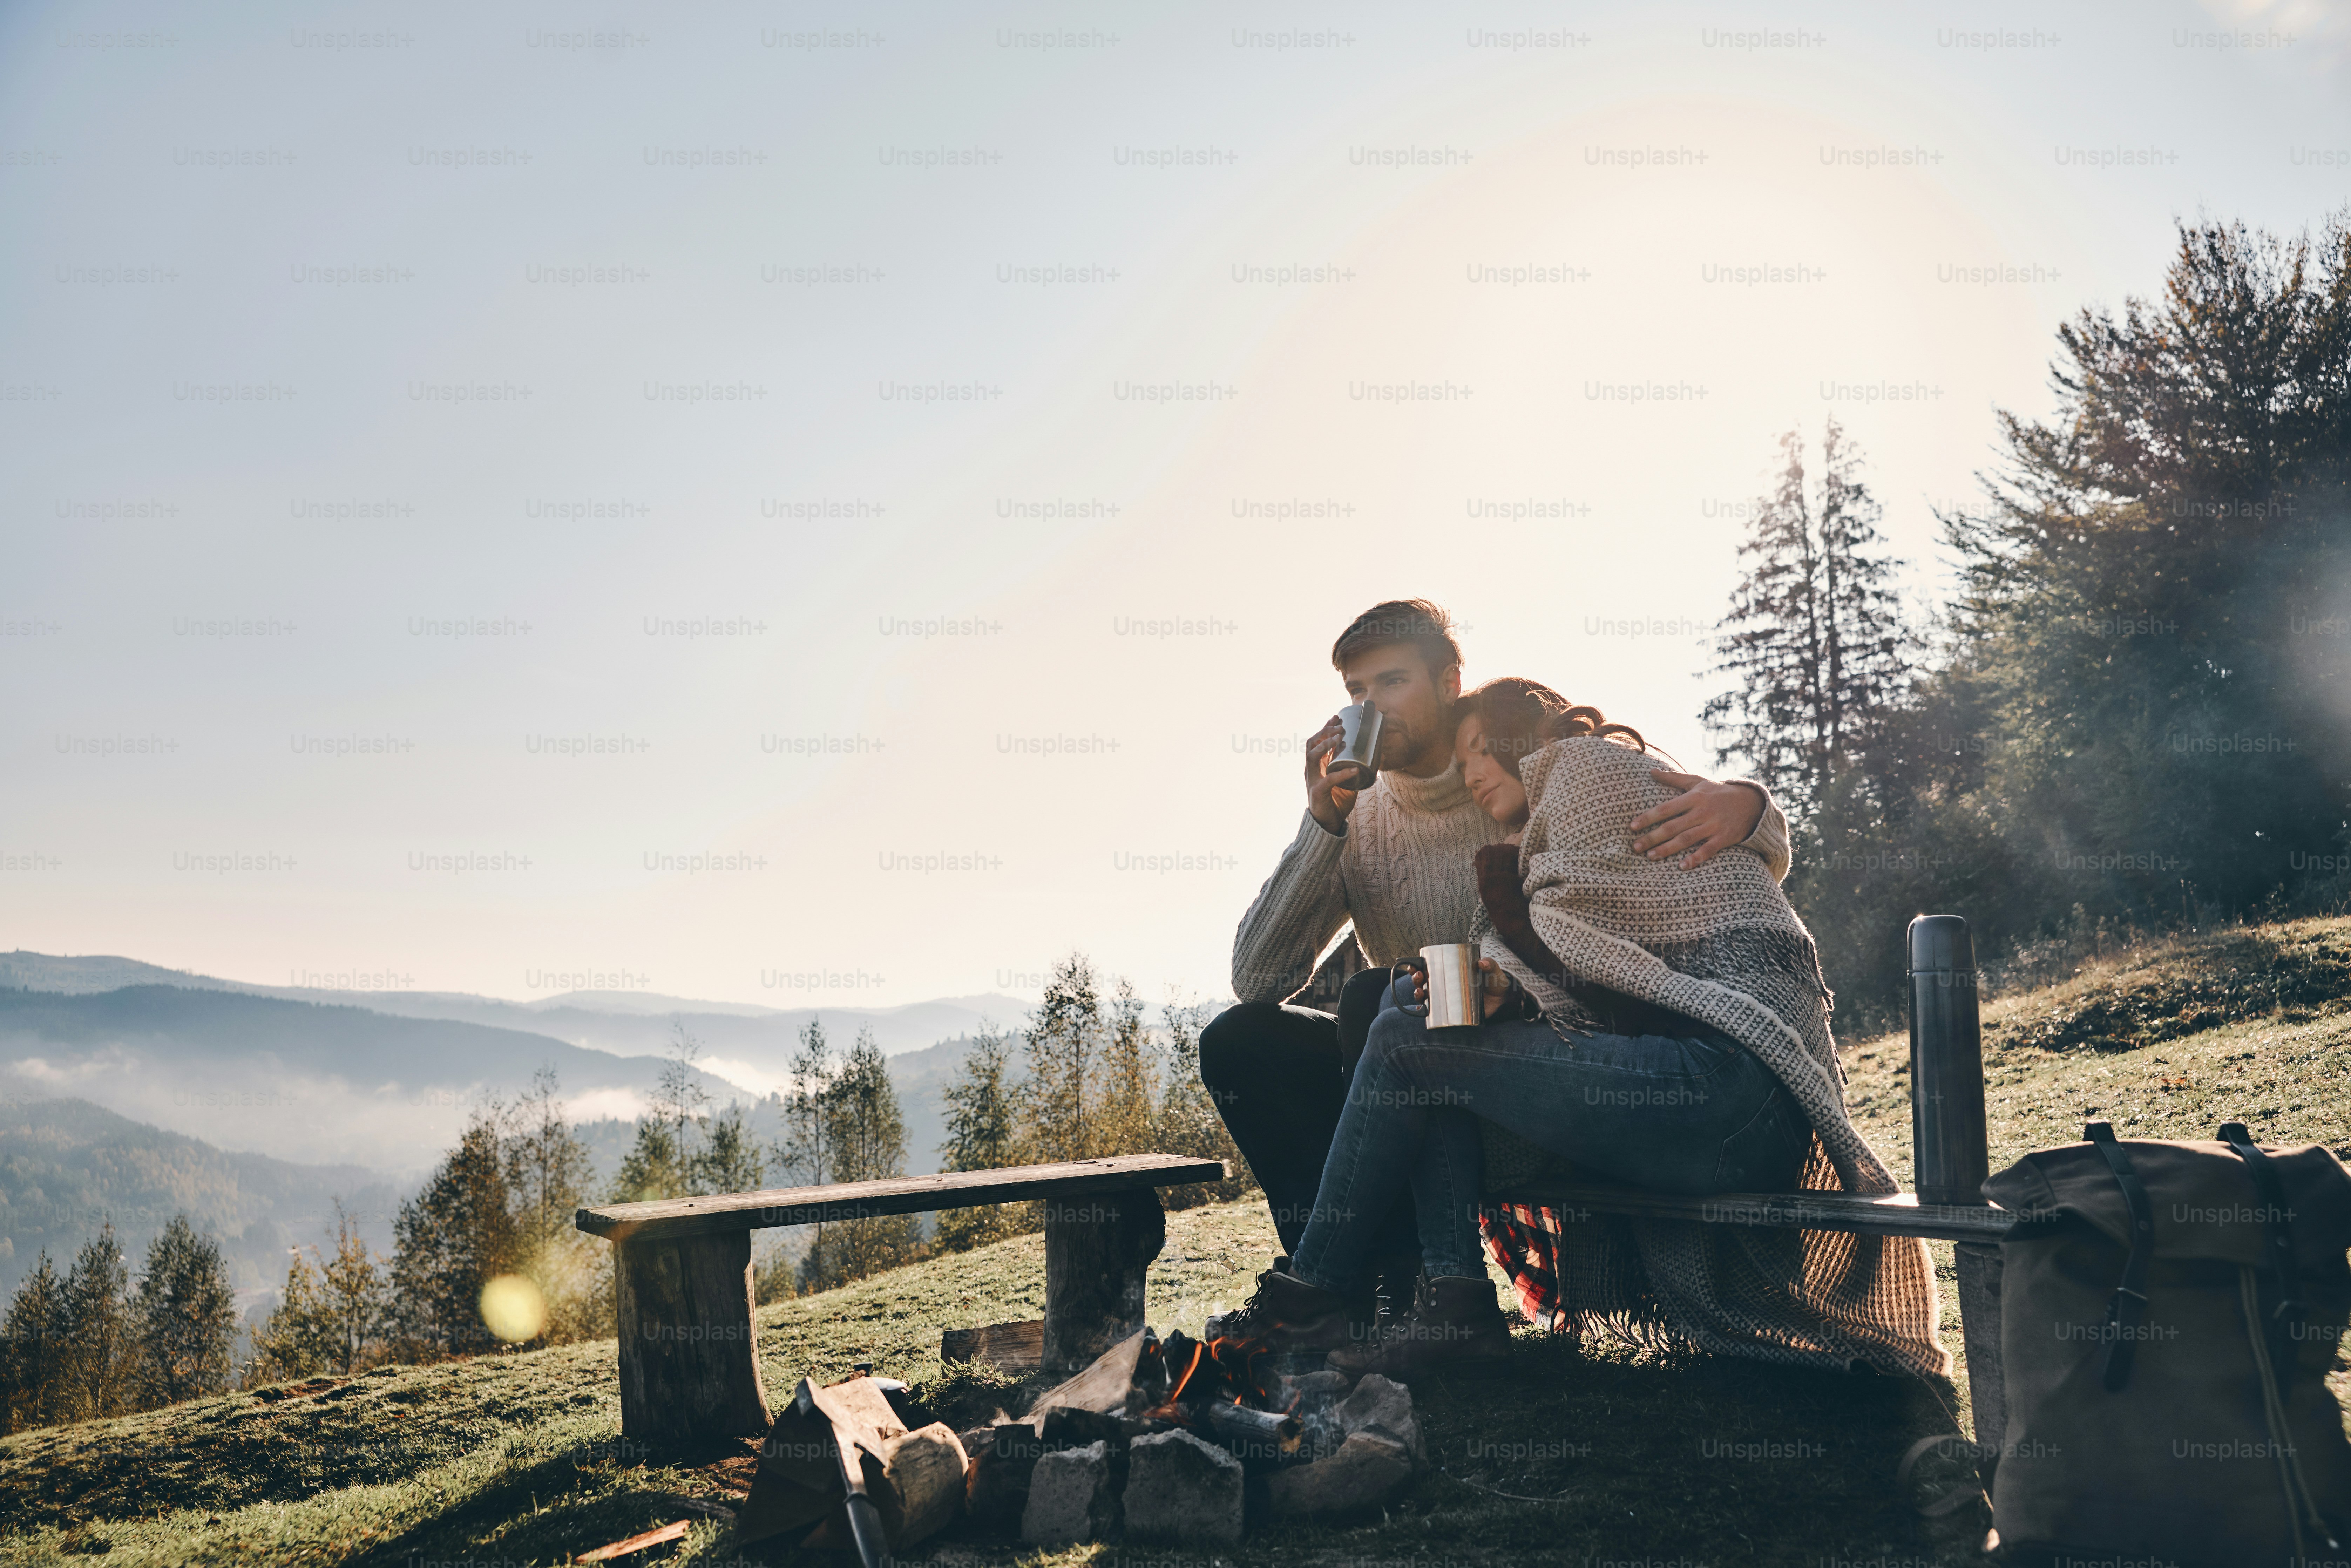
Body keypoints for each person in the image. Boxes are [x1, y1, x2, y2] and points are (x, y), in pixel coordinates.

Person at [1217, 678, 1944, 1386]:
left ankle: (1318, 1297)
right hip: (1689, 1090)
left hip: (1732, 1088)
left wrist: (1753, 804)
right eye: (1462, 756)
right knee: (1420, 1024)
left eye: (1480, 750)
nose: (1470, 773)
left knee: (1411, 1030)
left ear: (1518, 739)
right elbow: (1580, 950)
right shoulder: (1524, 827)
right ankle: (1447, 1307)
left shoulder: (1585, 770)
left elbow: (1581, 922)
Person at [1202, 601, 1791, 1325]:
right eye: (1355, 692)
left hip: (1537, 1064)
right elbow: (1255, 979)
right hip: (1414, 1064)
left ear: (1448, 681)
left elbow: (1653, 809)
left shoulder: (1515, 761)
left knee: (1375, 997)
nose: (1369, 707)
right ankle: (1358, 1297)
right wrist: (1322, 819)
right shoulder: (1356, 817)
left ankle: (1401, 1288)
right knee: (1241, 1039)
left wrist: (1753, 806)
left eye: (1390, 682)